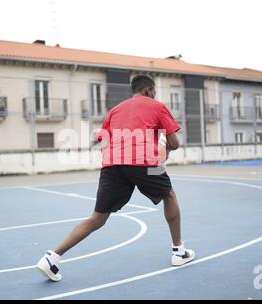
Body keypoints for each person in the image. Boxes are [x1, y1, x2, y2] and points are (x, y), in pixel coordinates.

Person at [37, 75, 195, 281]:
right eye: (154, 91)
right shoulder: (156, 106)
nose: (154, 95)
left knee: (98, 218)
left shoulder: (115, 110)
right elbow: (174, 143)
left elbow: (103, 141)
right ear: (148, 90)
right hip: (146, 159)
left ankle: (51, 258)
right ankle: (178, 251)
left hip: (112, 163)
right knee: (169, 196)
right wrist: (162, 149)